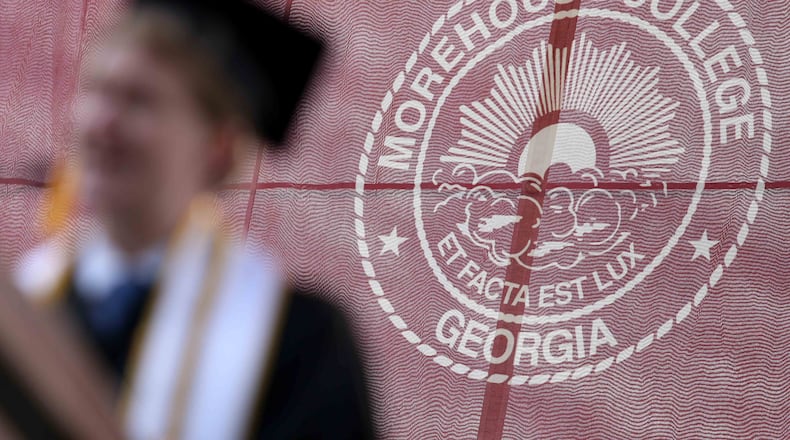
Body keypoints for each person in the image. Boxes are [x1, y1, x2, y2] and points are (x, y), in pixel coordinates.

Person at [13, 0, 374, 438]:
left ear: (219, 147)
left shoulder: (296, 337)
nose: (101, 123)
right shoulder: (28, 301)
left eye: (139, 101)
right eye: (96, 90)